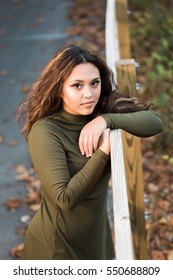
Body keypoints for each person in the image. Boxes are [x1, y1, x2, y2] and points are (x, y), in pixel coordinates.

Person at [17, 45, 164, 260]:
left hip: (97, 240)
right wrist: (103, 151)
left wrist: (106, 120)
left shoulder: (101, 109)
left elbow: (154, 123)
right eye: (77, 86)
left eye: (94, 83)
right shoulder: (47, 130)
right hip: (57, 248)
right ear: (59, 88)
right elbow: (65, 198)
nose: (88, 94)